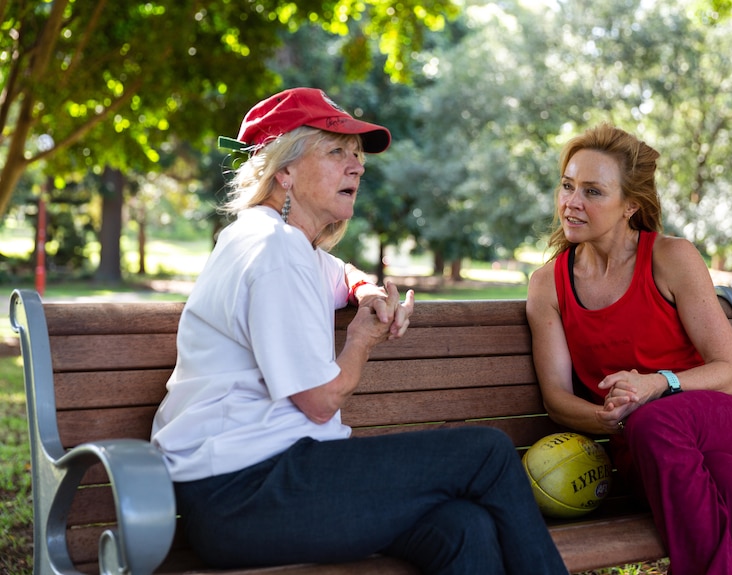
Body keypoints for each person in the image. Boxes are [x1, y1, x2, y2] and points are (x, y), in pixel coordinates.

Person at [151, 87, 567, 575]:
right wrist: (360, 340)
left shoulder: (283, 244)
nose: (358, 167)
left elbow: (337, 271)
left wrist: (365, 291)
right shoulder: (272, 252)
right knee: (488, 455)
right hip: (244, 494)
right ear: (283, 170)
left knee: (462, 527)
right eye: (336, 152)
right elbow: (321, 399)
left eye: (356, 156)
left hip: (272, 485)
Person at [525, 123, 732, 575]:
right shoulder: (547, 284)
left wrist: (655, 386)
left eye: (592, 191)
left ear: (631, 205)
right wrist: (605, 417)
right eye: (567, 186)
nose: (571, 202)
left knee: (656, 420)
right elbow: (556, 397)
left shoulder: (670, 257)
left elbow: (729, 371)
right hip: (643, 449)